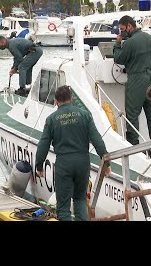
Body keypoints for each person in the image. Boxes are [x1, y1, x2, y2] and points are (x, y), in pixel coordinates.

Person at [35, 85, 111, 221]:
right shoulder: (85, 115)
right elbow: (97, 140)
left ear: (56, 101)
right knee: (80, 200)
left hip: (64, 164)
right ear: (71, 98)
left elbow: (43, 145)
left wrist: (39, 165)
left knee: (63, 207)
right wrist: (106, 162)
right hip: (83, 163)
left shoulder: (51, 119)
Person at [113, 15, 151, 146]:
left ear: (129, 26)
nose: (121, 32)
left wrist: (117, 44)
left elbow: (118, 59)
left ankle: (134, 146)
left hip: (136, 81)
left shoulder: (130, 43)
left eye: (122, 29)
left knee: (132, 115)